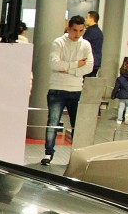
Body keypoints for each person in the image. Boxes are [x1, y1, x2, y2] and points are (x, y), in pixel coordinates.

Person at [41, 15, 93, 166]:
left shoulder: (86, 45)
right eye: (75, 30)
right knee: (53, 122)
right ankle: (48, 153)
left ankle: (78, 156)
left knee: (77, 124)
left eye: (80, 31)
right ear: (69, 28)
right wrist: (77, 65)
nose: (77, 34)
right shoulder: (58, 42)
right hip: (57, 88)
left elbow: (89, 66)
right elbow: (54, 64)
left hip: (76, 89)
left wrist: (68, 69)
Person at [111, 60, 128, 125]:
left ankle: (119, 119)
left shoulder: (120, 79)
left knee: (121, 107)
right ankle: (127, 115)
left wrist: (113, 95)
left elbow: (116, 88)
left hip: (122, 95)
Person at [83, 11, 103, 77]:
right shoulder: (99, 31)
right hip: (96, 61)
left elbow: (83, 44)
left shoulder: (90, 31)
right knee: (90, 83)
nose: (85, 19)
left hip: (89, 62)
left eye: (86, 18)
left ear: (91, 19)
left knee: (84, 83)